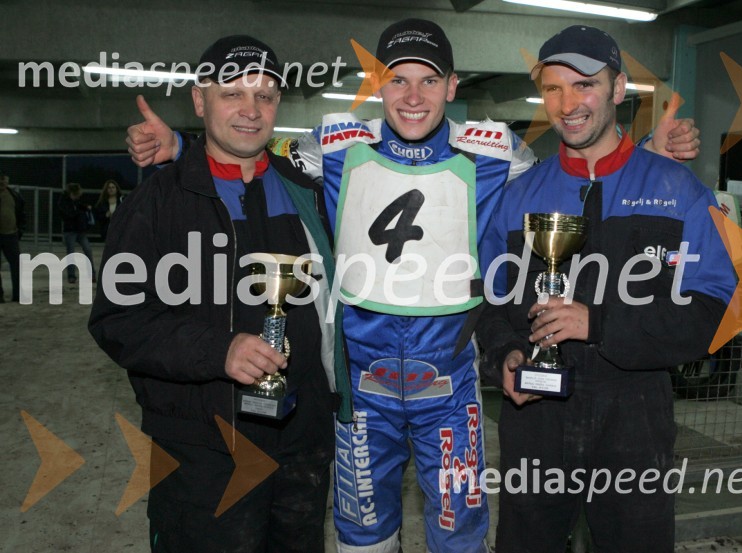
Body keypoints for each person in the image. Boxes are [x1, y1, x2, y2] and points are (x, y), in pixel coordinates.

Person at [125, 19, 701, 553]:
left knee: (459, 531)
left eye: (428, 80)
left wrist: (643, 156)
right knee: (362, 532)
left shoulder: (495, 150)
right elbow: (253, 155)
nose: (413, 96)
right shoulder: (333, 145)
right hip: (361, 388)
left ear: (451, 86)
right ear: (378, 84)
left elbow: (566, 177)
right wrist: (181, 149)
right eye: (397, 80)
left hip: (451, 386)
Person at [477, 25, 737, 552]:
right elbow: (488, 302)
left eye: (585, 85)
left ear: (618, 89)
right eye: (553, 88)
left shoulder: (679, 192)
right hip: (535, 418)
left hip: (634, 417)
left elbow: (713, 312)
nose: (567, 104)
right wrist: (506, 355)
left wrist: (598, 323)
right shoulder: (518, 196)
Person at [89, 34, 351, 553]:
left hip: (301, 445)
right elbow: (117, 320)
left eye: (265, 95)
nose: (251, 110)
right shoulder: (157, 203)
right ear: (199, 99)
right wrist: (218, 350)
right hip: (201, 452)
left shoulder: (308, 192)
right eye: (232, 93)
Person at [58, 182, 97, 284]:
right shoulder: (63, 201)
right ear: (72, 193)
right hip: (70, 230)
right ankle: (71, 276)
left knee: (88, 250)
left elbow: (79, 207)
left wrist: (85, 208)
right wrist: (79, 213)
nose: (78, 197)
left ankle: (91, 274)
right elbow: (67, 214)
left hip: (80, 230)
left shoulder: (76, 201)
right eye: (77, 195)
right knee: (71, 253)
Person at [0, 171, 25, 303]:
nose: (3, 183)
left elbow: (21, 213)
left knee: (16, 264)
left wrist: (20, 230)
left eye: (5, 180)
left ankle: (18, 294)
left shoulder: (14, 195)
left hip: (11, 234)